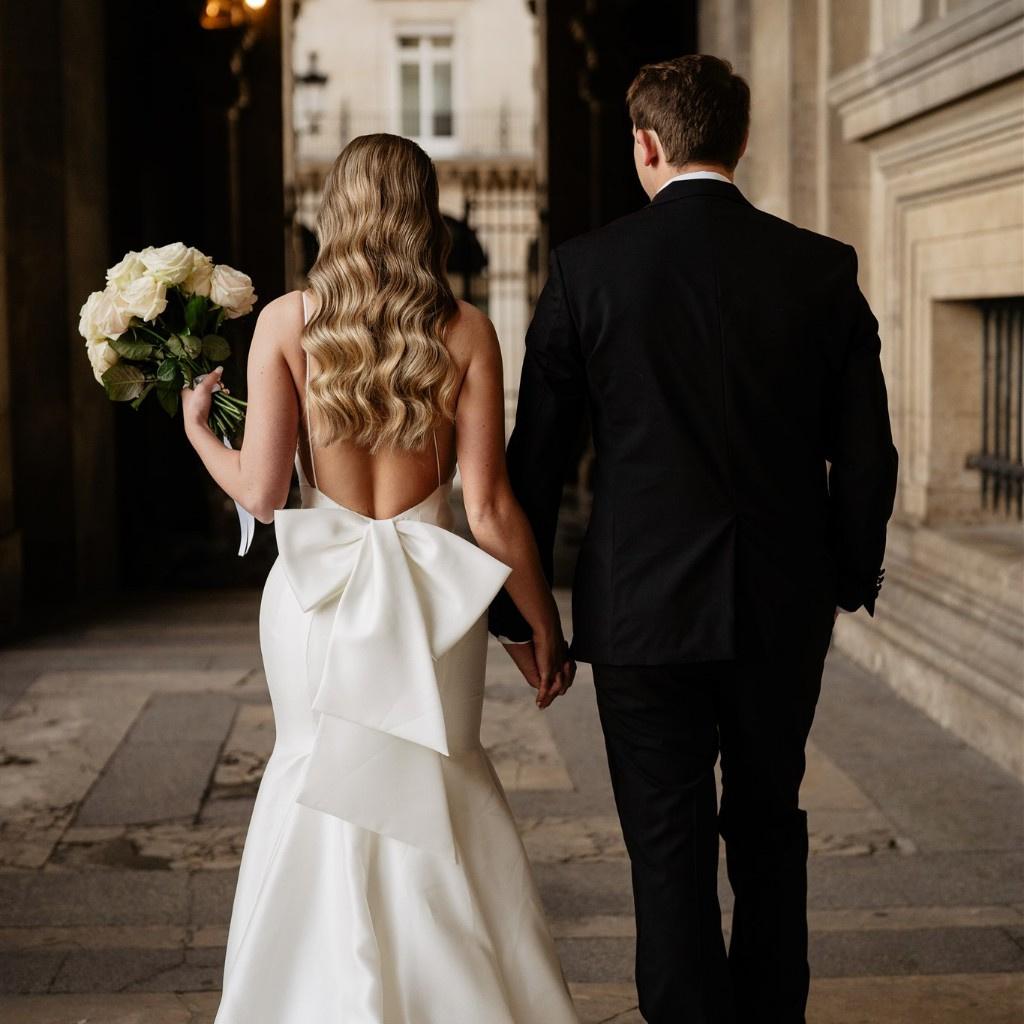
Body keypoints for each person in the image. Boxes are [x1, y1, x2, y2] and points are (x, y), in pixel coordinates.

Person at [488, 54, 899, 1024]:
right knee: (769, 827)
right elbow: (868, 455)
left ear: (645, 144)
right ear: (742, 141)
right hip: (778, 607)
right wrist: (839, 574)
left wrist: (525, 613)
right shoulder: (820, 268)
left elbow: (533, 461)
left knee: (665, 851)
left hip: (637, 614)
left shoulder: (587, 271)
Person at [183, 133, 579, 1024]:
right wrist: (538, 619)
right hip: (434, 605)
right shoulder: (468, 329)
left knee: (306, 778)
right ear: (424, 212)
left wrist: (199, 430)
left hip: (314, 601)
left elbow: (260, 490)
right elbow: (487, 508)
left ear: (339, 209)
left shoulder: (288, 322)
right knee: (446, 773)